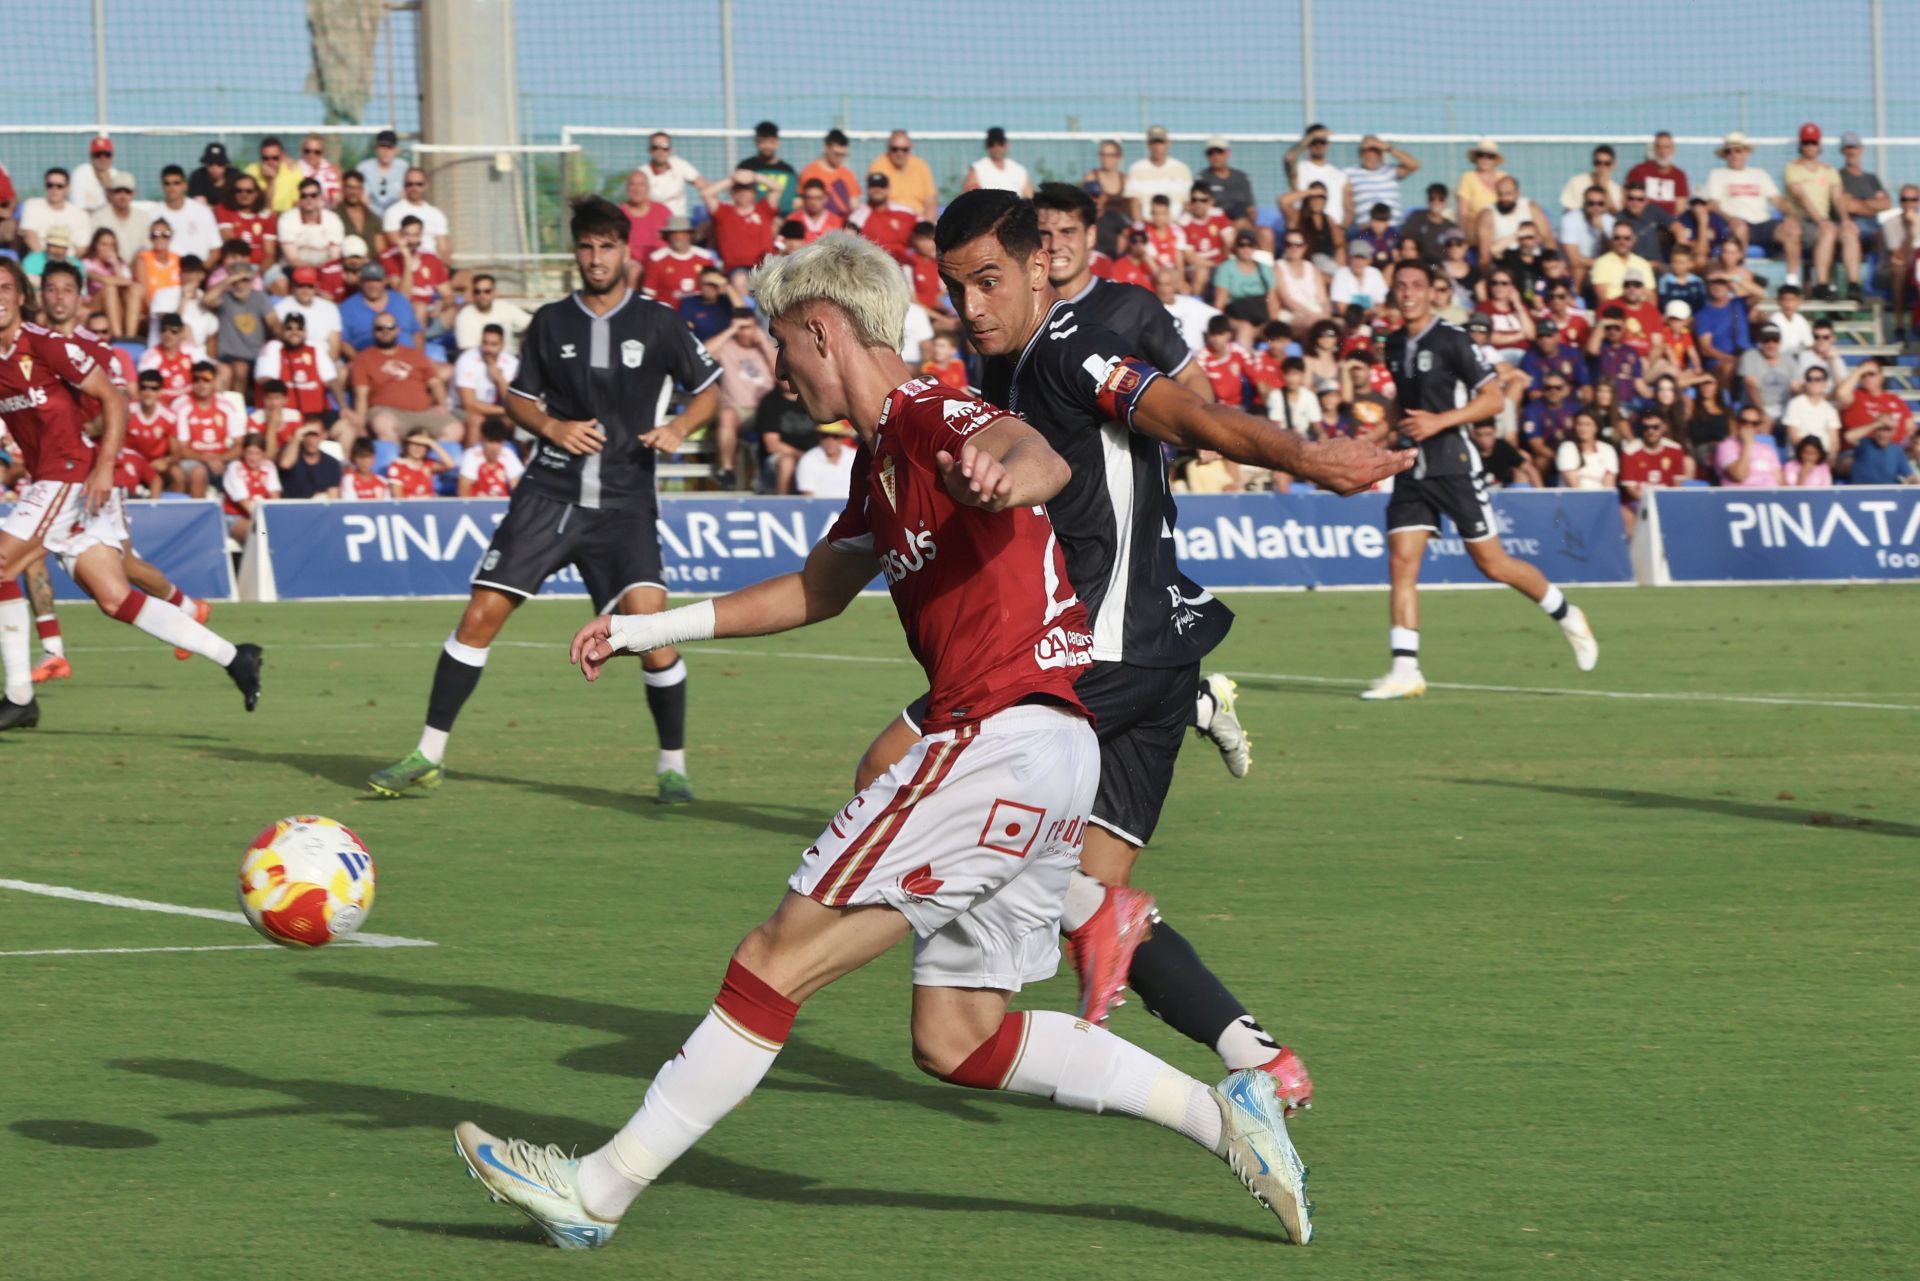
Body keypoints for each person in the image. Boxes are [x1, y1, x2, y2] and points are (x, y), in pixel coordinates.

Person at [455, 230, 1314, 1252]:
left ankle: (596, 1191)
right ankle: (1226, 1118)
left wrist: (1012, 477)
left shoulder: (928, 414)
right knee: (957, 1037)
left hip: (995, 740)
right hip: (1049, 751)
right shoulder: (881, 461)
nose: (779, 370)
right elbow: (815, 590)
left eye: (783, 347)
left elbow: (1026, 450)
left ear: (825, 328)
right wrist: (652, 626)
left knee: (775, 960)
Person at [856, 191, 1411, 1107]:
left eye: (991, 281)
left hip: (1091, 653)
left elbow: (1186, 416)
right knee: (1095, 904)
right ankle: (1261, 1062)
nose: (975, 306)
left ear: (1042, 267)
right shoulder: (997, 369)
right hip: (1158, 660)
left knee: (889, 763)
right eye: (957, 288)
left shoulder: (1070, 347)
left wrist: (1309, 460)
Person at [366, 196, 721, 802]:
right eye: (585, 247)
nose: (595, 258)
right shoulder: (552, 322)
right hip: (549, 494)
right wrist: (552, 429)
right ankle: (427, 755)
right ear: (575, 252)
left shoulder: (659, 323)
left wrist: (681, 429)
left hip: (624, 503)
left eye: (607, 246)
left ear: (625, 251)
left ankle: (672, 768)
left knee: (653, 637)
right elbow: (519, 399)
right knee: (479, 616)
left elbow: (711, 391)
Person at [0, 259, 260, 731]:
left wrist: (104, 467)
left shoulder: (47, 345)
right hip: (52, 481)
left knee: (1, 563)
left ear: (20, 296)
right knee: (116, 598)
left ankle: (19, 694)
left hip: (72, 476)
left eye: (4, 288)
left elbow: (113, 399)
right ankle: (234, 656)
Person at [1361, 259, 1598, 702]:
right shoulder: (1393, 344)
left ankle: (1568, 615)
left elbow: (1491, 400)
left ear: (1434, 292)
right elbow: (1401, 404)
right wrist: (1370, 438)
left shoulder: (1453, 339)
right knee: (1401, 561)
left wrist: (1440, 422)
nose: (1409, 292)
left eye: (1417, 285)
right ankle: (1405, 669)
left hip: (1454, 463)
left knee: (1492, 563)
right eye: (1401, 286)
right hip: (1412, 465)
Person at [1705, 132, 1802, 287]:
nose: (1734, 154)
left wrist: (1790, 217)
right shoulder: (1718, 174)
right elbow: (1712, 204)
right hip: (1736, 224)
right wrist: (1730, 219)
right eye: (1729, 151)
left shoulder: (1760, 174)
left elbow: (1778, 200)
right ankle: (1741, 277)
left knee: (1791, 230)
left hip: (1763, 224)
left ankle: (1791, 282)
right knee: (1740, 227)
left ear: (1746, 152)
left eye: (1738, 150)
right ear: (1724, 155)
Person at [347, 311, 457, 442]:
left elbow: (435, 383)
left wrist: (443, 405)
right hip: (387, 412)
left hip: (423, 412)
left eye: (390, 327)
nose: (385, 331)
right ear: (373, 332)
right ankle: (396, 461)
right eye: (380, 328)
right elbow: (361, 396)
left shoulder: (414, 354)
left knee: (455, 429)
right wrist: (361, 425)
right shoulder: (364, 358)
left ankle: (431, 460)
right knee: (383, 425)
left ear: (397, 330)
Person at [1781, 124, 1853, 300]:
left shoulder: (1829, 170)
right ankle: (1818, 284)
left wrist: (1845, 219)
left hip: (1820, 223)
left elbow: (1837, 197)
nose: (1810, 146)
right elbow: (1801, 196)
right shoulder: (1793, 168)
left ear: (1819, 145)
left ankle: (1833, 285)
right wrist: (1820, 220)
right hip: (1802, 221)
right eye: (1806, 142)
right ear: (1801, 145)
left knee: (1845, 232)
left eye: (1813, 142)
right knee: (1826, 229)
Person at [451, 323, 519, 443]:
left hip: (495, 409)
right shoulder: (467, 360)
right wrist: (506, 411)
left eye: (493, 344)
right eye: (485, 343)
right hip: (459, 409)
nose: (488, 349)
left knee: (519, 422)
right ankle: (471, 458)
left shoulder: (511, 362)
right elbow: (469, 405)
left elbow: (511, 401)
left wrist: (499, 378)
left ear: (502, 346)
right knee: (477, 420)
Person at [1124, 125, 1194, 222]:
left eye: (1161, 142)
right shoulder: (1136, 169)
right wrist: (1142, 226)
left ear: (1168, 143)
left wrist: (1180, 226)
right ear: (1148, 145)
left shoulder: (1182, 169)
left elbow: (1188, 203)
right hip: (1148, 226)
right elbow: (1133, 203)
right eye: (1154, 143)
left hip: (1176, 225)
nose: (1158, 147)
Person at [865, 130, 939, 220]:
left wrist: (928, 225)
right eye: (895, 149)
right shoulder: (878, 166)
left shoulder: (921, 166)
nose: (900, 153)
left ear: (910, 149)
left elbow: (930, 202)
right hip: (888, 220)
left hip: (917, 222)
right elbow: (875, 198)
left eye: (904, 149)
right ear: (888, 148)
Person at [1285, 124, 1348, 228]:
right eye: (1314, 142)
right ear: (1308, 144)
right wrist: (1312, 136)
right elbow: (1289, 158)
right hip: (1305, 229)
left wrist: (1341, 230)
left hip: (1333, 230)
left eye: (1322, 142)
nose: (1319, 145)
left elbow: (1349, 209)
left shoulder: (1340, 175)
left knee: (1361, 238)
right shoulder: (1300, 169)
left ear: (1328, 144)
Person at [221, 431, 281, 541]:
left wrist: (277, 520)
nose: (253, 458)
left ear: (263, 453)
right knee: (259, 532)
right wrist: (268, 524)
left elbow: (275, 498)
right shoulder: (235, 468)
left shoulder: (269, 466)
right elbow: (245, 503)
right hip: (235, 517)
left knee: (280, 530)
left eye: (257, 453)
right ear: (244, 453)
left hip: (261, 517)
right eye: (249, 453)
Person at [453, 273, 533, 354]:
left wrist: (526, 339)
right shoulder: (464, 316)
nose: (482, 295)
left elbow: (532, 323)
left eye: (487, 291)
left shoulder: (505, 307)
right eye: (477, 291)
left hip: (509, 360)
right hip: (478, 363)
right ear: (473, 294)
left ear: (494, 292)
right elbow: (467, 353)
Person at [736, 120, 799, 216]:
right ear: (756, 142)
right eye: (762, 142)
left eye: (771, 142)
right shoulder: (746, 167)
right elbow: (738, 196)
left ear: (777, 142)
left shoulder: (788, 170)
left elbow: (795, 200)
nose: (767, 146)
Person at [796, 128, 861, 218]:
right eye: (836, 154)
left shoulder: (848, 174)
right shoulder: (809, 172)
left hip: (842, 227)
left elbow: (854, 205)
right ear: (826, 148)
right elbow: (800, 203)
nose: (840, 158)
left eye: (843, 155)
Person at [1715, 406, 1784, 486]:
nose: (1748, 426)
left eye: (1754, 423)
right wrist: (1747, 444)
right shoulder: (1726, 446)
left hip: (1770, 496)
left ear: (1759, 426)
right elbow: (1739, 476)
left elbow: (1780, 482)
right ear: (1737, 423)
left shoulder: (1767, 449)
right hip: (1741, 496)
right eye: (1744, 421)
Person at [276, 417, 343, 499]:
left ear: (324, 435)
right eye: (307, 435)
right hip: (292, 509)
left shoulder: (332, 464)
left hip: (318, 509)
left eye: (315, 435)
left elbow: (334, 496)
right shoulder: (291, 454)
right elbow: (285, 464)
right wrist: (297, 435)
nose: (311, 440)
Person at [457, 420, 525, 497]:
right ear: (482, 440)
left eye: (498, 442)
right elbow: (463, 489)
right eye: (490, 441)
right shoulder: (472, 455)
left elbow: (516, 486)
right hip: (477, 505)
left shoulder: (508, 455)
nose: (494, 447)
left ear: (503, 442)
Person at [1627, 132, 1690, 216]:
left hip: (1669, 223)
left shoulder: (1679, 175)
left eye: (1666, 147)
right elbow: (1627, 197)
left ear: (1673, 149)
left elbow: (1680, 208)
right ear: (1654, 149)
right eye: (1659, 147)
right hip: (1642, 221)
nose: (1663, 151)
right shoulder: (1639, 171)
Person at [1553, 410, 1618, 490]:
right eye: (1580, 424)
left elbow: (1609, 485)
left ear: (1596, 428)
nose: (1583, 428)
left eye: (1588, 425)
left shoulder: (1608, 450)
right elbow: (1574, 485)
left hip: (1600, 499)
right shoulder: (1567, 448)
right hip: (1574, 498)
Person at [963, 126, 1032, 196]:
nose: (996, 148)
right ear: (987, 146)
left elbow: (1030, 197)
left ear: (1007, 145)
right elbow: (969, 197)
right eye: (992, 144)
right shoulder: (977, 169)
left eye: (1000, 144)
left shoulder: (1020, 170)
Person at [356, 128, 408, 217]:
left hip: (397, 216)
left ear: (396, 150)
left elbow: (404, 197)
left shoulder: (403, 167)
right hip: (370, 217)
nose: (386, 151)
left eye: (389, 147)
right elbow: (363, 198)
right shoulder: (364, 168)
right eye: (382, 147)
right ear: (376, 148)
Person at [1845, 419, 1915, 485]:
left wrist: (1914, 483)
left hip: (1888, 494)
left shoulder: (1897, 450)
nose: (1883, 435)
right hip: (1859, 493)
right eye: (1880, 429)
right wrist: (1876, 424)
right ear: (1874, 431)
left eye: (1888, 430)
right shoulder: (1864, 443)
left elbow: (1909, 475)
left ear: (1894, 432)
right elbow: (1849, 437)